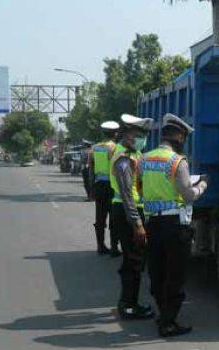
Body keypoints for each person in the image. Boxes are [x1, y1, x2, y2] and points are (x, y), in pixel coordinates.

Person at [139, 114, 207, 337]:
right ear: (178, 136)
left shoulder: (145, 158)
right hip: (175, 225)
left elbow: (139, 186)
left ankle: (162, 313)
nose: (183, 140)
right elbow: (187, 195)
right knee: (175, 274)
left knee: (157, 271)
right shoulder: (177, 161)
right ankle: (168, 323)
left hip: (152, 222)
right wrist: (203, 185)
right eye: (183, 137)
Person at [110, 114, 155, 320]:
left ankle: (127, 302)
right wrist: (137, 223)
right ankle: (129, 305)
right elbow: (127, 194)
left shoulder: (133, 154)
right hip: (127, 212)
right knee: (134, 261)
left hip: (128, 211)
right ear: (127, 135)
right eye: (139, 135)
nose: (142, 139)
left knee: (132, 260)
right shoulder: (123, 159)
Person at [88, 121, 120, 256]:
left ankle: (100, 246)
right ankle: (114, 248)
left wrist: (91, 189)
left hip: (99, 186)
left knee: (100, 217)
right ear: (115, 134)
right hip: (113, 187)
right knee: (114, 218)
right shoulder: (115, 148)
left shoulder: (94, 148)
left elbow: (90, 170)